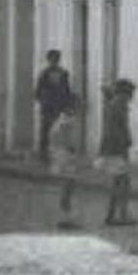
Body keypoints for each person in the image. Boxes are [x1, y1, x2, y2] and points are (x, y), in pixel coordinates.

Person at [99, 78, 138, 227]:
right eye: (131, 93)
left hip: (114, 148)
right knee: (122, 182)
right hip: (117, 148)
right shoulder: (119, 105)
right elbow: (117, 128)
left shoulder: (115, 104)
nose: (132, 96)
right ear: (125, 93)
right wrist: (125, 141)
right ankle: (120, 215)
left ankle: (113, 214)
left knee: (119, 182)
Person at [51, 94, 84, 230]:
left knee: (68, 187)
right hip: (65, 156)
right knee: (67, 188)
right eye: (77, 105)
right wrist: (71, 149)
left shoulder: (62, 120)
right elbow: (64, 139)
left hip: (64, 155)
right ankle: (64, 218)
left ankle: (66, 216)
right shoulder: (66, 121)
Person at [34, 49, 73, 161]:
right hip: (48, 105)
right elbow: (39, 90)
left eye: (56, 59)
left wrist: (67, 103)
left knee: (57, 129)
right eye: (52, 59)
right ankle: (44, 153)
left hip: (58, 104)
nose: (54, 61)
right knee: (46, 129)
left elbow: (66, 89)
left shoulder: (63, 73)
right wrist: (43, 100)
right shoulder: (44, 73)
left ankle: (54, 152)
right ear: (49, 60)